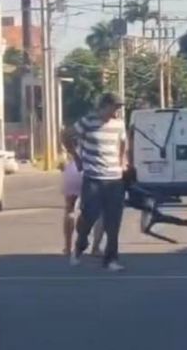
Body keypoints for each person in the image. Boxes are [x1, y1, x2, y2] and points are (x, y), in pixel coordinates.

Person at [68, 92, 128, 271]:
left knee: (113, 222)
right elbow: (66, 135)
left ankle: (111, 260)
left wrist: (122, 162)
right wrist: (76, 157)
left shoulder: (119, 124)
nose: (116, 111)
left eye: (119, 108)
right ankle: (80, 246)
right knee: (89, 216)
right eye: (114, 107)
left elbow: (122, 143)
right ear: (104, 106)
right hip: (93, 179)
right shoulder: (88, 122)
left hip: (114, 179)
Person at [61, 128, 105, 257]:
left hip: (73, 170)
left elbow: (64, 134)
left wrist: (72, 151)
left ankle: (67, 247)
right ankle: (95, 247)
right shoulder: (97, 134)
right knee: (99, 212)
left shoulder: (77, 132)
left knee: (69, 209)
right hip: (90, 171)